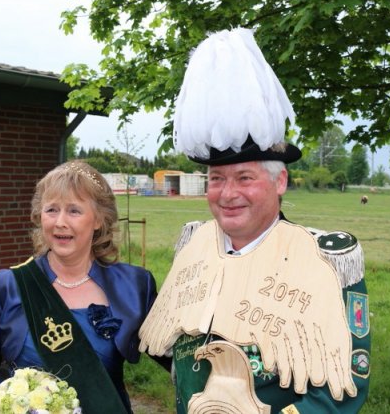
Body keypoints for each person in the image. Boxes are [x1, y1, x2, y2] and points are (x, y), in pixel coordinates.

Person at [139, 28, 370, 413]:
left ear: (280, 181)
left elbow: (343, 389)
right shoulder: (194, 244)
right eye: (216, 179)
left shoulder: (325, 259)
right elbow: (174, 351)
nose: (228, 194)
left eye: (245, 178)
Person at [0, 160, 160, 413]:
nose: (60, 222)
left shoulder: (134, 284)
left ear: (99, 219)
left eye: (74, 211)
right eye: (52, 210)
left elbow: (176, 357)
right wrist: (7, 399)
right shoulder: (7, 285)